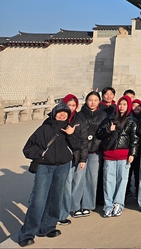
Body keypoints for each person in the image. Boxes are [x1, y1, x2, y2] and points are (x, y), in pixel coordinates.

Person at [18, 102, 81, 247]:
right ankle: (27, 233)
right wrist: (42, 153)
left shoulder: (69, 128)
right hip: (45, 167)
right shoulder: (44, 129)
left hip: (63, 167)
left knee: (55, 199)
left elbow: (77, 146)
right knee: (38, 200)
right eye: (59, 112)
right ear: (54, 114)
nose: (62, 115)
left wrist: (71, 135)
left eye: (65, 113)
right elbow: (27, 148)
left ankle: (48, 227)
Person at [96, 95, 139, 218]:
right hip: (109, 155)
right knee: (108, 181)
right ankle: (108, 205)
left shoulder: (131, 121)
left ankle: (118, 204)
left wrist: (132, 153)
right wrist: (109, 130)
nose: (121, 107)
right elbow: (99, 133)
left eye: (124, 104)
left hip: (124, 155)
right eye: (120, 104)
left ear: (128, 106)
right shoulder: (110, 119)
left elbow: (135, 139)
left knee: (122, 181)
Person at [70, 91, 107, 218]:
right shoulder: (79, 115)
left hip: (96, 151)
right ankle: (75, 206)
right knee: (78, 178)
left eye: (95, 100)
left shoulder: (103, 115)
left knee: (92, 178)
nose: (93, 103)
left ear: (99, 101)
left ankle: (88, 205)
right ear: (86, 101)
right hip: (81, 150)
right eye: (90, 100)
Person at [58, 94, 80, 226]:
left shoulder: (78, 119)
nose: (71, 108)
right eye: (68, 105)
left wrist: (71, 134)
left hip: (68, 159)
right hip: (53, 159)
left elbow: (78, 143)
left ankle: (62, 214)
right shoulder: (54, 118)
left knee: (66, 187)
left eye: (73, 105)